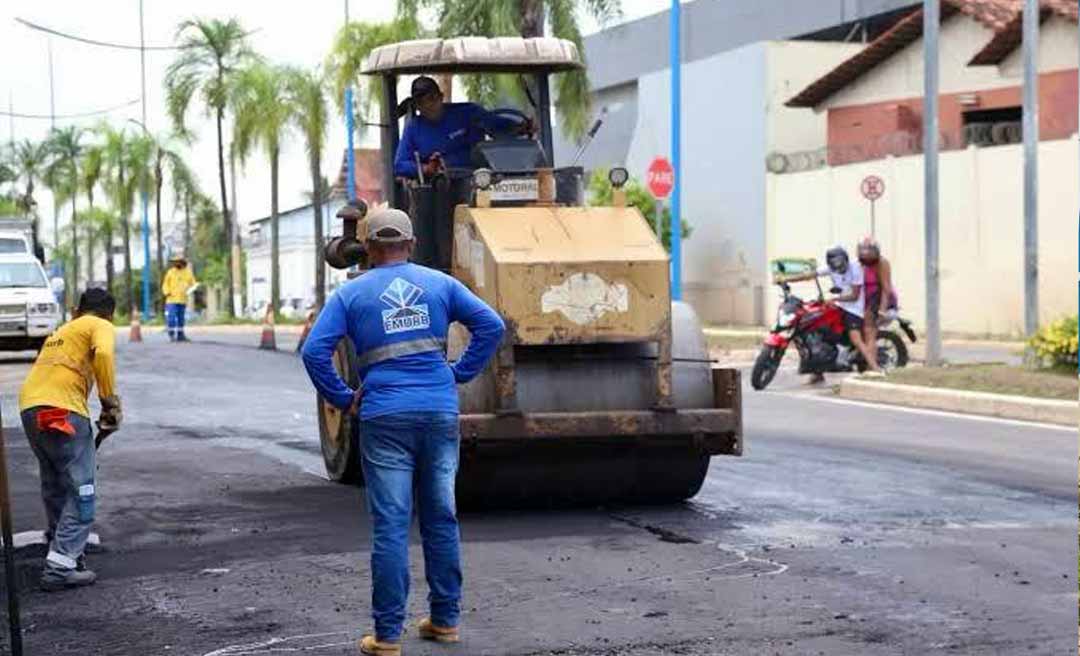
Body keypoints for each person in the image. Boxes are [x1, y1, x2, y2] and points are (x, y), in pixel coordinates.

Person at [301, 208, 505, 655]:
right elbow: (492, 325)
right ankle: (445, 621)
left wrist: (341, 396)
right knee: (440, 517)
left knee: (391, 525)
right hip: (437, 412)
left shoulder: (351, 294)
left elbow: (315, 351)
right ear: (410, 245)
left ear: (370, 250)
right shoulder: (440, 284)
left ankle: (388, 635)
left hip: (384, 417)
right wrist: (458, 372)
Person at [19, 287, 122, 591]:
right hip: (63, 411)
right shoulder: (99, 324)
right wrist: (109, 402)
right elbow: (103, 353)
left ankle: (61, 546)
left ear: (77, 310)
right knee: (82, 490)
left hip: (30, 408)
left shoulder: (61, 331)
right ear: (110, 314)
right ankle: (60, 566)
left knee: (55, 482)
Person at [393, 75, 533, 179]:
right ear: (417, 106)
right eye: (421, 103)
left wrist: (521, 128)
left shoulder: (468, 112)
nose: (428, 106)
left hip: (479, 178)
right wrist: (426, 169)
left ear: (441, 97)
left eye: (432, 99)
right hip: (440, 187)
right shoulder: (413, 128)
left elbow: (496, 125)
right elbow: (400, 165)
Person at [778, 245, 882, 379]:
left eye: (841, 264)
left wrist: (834, 299)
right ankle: (818, 372)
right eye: (835, 266)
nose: (839, 268)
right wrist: (785, 279)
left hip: (854, 309)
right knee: (816, 329)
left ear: (845, 259)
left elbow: (855, 296)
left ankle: (876, 368)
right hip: (838, 305)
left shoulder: (855, 269)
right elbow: (808, 275)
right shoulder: (830, 269)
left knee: (855, 338)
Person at [857, 236, 895, 361]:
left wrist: (882, 310)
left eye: (870, 251)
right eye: (863, 251)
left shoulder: (882, 263)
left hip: (878, 299)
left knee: (869, 331)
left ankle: (872, 366)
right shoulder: (859, 264)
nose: (866, 254)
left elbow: (886, 288)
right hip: (863, 300)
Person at [161, 253, 197, 342]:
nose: (176, 263)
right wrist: (167, 292)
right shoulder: (170, 272)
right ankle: (172, 335)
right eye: (174, 262)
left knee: (181, 319)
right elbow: (165, 284)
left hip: (182, 300)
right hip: (171, 300)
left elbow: (193, 284)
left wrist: (190, 290)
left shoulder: (188, 273)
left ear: (182, 262)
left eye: (177, 262)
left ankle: (180, 336)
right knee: (171, 318)